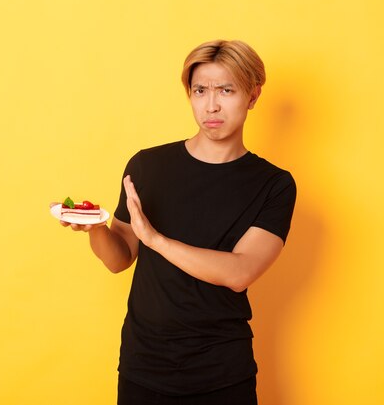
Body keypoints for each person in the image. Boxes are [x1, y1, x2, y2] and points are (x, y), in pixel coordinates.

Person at [56, 39, 296, 405]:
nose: (211, 105)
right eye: (200, 91)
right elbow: (119, 259)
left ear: (252, 95)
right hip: (144, 366)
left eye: (226, 90)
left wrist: (156, 239)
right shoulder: (147, 166)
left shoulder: (274, 184)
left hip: (222, 372)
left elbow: (239, 272)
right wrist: (97, 228)